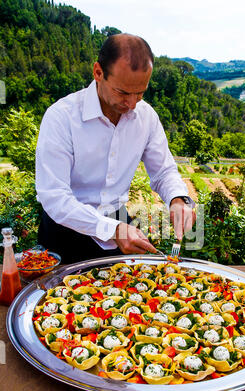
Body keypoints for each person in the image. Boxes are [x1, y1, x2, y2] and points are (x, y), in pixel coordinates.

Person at [35, 33, 196, 263]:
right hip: (65, 229)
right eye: (122, 92)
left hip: (119, 221)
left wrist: (178, 199)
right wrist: (112, 229)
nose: (132, 104)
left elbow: (163, 171)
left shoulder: (146, 117)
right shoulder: (61, 117)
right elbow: (54, 197)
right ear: (98, 72)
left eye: (140, 92)